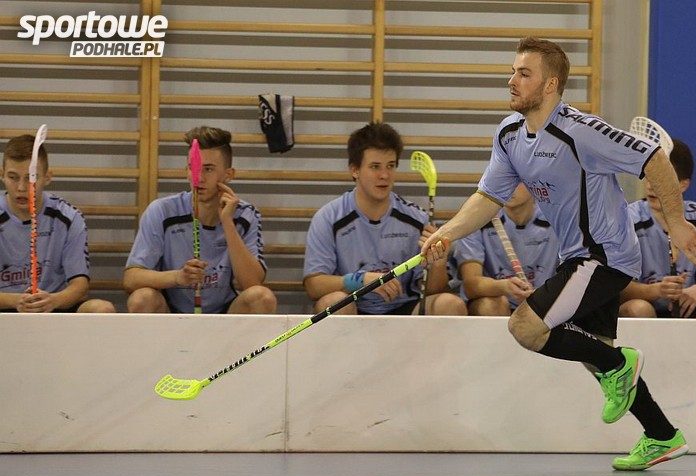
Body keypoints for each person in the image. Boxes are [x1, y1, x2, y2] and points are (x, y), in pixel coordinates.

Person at [421, 37, 696, 470]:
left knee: (526, 327)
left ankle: (621, 364)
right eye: (513, 71)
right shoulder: (510, 135)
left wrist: (676, 221)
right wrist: (447, 232)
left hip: (605, 255)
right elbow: (489, 197)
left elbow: (654, 158)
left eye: (524, 73)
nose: (512, 80)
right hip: (576, 254)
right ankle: (661, 435)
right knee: (597, 357)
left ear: (550, 84)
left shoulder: (581, 131)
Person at [303, 121, 466, 316]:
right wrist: (360, 281)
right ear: (354, 170)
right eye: (375, 167)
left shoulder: (417, 219)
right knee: (333, 302)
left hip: (404, 310)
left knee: (450, 304)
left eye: (390, 166)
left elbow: (432, 290)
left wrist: (438, 263)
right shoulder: (329, 218)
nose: (384, 175)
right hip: (352, 308)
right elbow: (314, 285)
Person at [124, 126, 277, 314]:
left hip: (226, 316)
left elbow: (251, 283)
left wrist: (228, 223)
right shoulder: (162, 211)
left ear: (228, 174)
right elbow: (131, 278)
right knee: (142, 298)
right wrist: (178, 277)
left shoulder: (246, 214)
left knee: (262, 297)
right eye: (193, 168)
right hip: (171, 315)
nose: (198, 178)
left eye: (208, 169)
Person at [620, 139, 696, 319]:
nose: (650, 185)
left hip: (690, 309)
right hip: (646, 306)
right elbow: (619, 289)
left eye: (661, 179)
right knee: (637, 308)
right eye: (648, 176)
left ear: (683, 185)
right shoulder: (627, 219)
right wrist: (656, 290)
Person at [0, 134, 115, 313]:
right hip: (6, 307)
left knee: (102, 309)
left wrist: (52, 301)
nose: (22, 187)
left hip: (54, 305)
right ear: (2, 175)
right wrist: (16, 301)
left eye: (31, 178)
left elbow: (79, 285)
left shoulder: (69, 217)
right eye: (13, 177)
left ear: (47, 177)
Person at [453, 183, 559, 316]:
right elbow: (471, 285)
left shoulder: (557, 218)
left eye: (517, 179)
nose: (509, 185)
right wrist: (504, 287)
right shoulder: (478, 217)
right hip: (498, 300)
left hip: (545, 304)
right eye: (506, 179)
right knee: (490, 305)